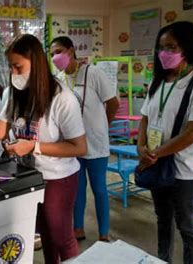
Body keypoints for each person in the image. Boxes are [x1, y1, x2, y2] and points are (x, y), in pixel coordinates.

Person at [0, 34, 87, 263]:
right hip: (29, 175)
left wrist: (33, 146)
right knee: (45, 234)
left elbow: (79, 147)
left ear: (37, 63)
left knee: (61, 236)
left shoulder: (62, 98)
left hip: (58, 177)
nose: (13, 73)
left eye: (18, 66)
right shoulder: (13, 93)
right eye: (11, 67)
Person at [137, 21, 193, 264]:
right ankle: (164, 259)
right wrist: (141, 147)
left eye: (171, 47)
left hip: (184, 170)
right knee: (163, 219)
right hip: (156, 162)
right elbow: (145, 118)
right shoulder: (157, 82)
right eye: (161, 48)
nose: (164, 53)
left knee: (188, 225)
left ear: (186, 48)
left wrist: (156, 152)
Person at [50, 36, 119, 242]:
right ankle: (77, 228)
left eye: (59, 51)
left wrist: (103, 126)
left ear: (71, 51)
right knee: (77, 190)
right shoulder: (59, 79)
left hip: (96, 144)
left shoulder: (93, 73)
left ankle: (103, 233)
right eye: (52, 53)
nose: (55, 57)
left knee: (99, 189)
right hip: (72, 146)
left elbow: (113, 103)